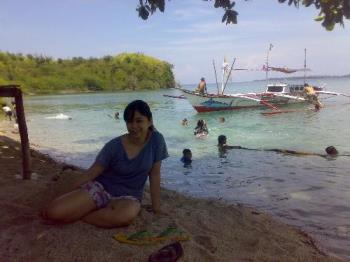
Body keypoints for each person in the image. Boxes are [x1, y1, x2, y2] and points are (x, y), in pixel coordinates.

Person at [41, 100, 169, 228]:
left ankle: (82, 215)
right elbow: (91, 173)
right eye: (129, 122)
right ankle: (89, 211)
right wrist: (66, 195)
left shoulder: (157, 141)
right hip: (102, 188)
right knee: (53, 212)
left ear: (150, 121)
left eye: (139, 121)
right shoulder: (114, 146)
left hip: (130, 197)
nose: (134, 126)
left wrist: (156, 208)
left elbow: (154, 175)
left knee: (125, 216)